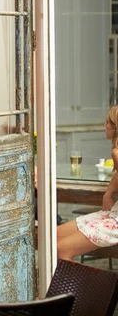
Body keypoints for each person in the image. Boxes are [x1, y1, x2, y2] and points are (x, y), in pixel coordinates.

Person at [57, 106, 118, 260]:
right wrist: (108, 193)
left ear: (115, 127)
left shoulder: (116, 153)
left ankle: (78, 285)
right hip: (113, 214)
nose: (104, 126)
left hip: (116, 221)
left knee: (61, 249)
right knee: (54, 236)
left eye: (107, 122)